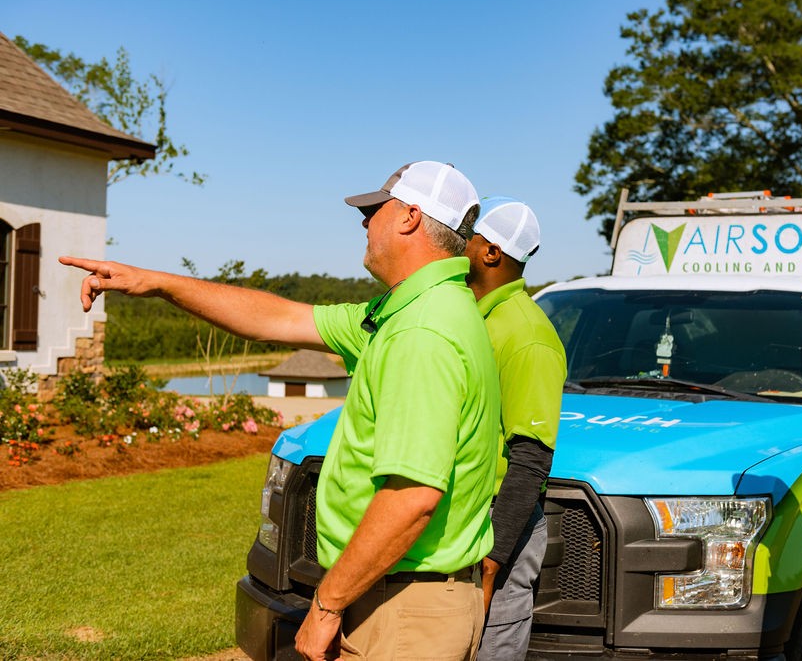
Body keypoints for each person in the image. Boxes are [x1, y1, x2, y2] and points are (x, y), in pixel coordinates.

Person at [61, 160, 500, 661]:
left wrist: (328, 607)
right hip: (399, 597)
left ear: (409, 218)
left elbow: (412, 497)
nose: (364, 222)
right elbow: (277, 317)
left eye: (375, 210)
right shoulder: (409, 312)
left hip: (403, 608)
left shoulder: (422, 332)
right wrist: (157, 283)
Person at [464, 196, 567, 661]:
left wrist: (492, 562)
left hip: (497, 532)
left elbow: (529, 459)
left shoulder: (528, 335)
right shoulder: (472, 316)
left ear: (491, 252)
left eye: (468, 238)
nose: (456, 245)